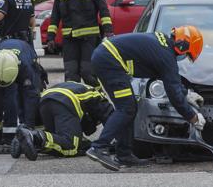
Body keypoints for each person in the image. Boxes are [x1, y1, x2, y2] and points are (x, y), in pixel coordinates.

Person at [86, 26, 206, 171]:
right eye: (187, 54)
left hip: (105, 57)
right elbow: (173, 95)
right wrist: (193, 117)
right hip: (109, 61)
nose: (183, 58)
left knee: (129, 108)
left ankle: (124, 155)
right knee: (126, 108)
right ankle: (99, 147)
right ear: (183, 46)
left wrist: (186, 93)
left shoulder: (163, 47)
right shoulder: (166, 56)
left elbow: (170, 79)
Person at [47, 0, 113, 87]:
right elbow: (55, 17)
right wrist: (50, 37)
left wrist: (108, 31)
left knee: (88, 73)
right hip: (69, 41)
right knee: (71, 76)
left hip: (89, 39)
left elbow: (103, 9)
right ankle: (74, 106)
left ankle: (98, 100)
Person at [0, 39, 44, 150]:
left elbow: (30, 97)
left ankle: (35, 136)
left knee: (23, 99)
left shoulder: (25, 67)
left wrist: (29, 127)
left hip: (25, 52)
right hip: (3, 64)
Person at [17, 81, 113, 161]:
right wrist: (123, 143)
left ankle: (29, 142)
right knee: (71, 145)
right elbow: (113, 119)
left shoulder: (79, 88)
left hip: (45, 100)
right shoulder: (100, 97)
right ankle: (34, 136)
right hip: (66, 100)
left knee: (57, 140)